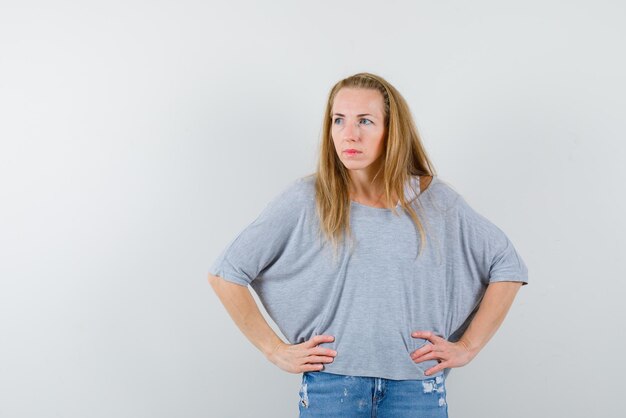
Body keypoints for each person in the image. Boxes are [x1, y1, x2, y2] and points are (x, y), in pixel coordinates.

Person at [207, 72, 528, 417]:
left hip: (414, 389)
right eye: (339, 120)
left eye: (365, 121)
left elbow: (507, 266)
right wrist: (275, 350)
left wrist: (467, 346)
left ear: (391, 131)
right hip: (332, 387)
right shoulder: (307, 199)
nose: (350, 134)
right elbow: (227, 273)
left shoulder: (436, 201)